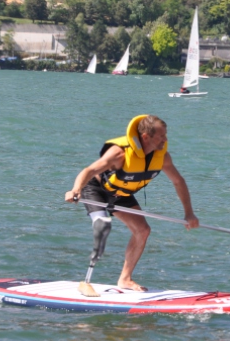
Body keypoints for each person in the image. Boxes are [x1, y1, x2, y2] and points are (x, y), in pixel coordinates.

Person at [65, 114, 199, 296]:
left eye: (165, 135)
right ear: (146, 137)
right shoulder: (119, 153)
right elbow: (89, 170)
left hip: (122, 194)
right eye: (161, 136)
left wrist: (189, 213)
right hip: (97, 190)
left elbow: (178, 182)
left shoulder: (163, 157)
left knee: (143, 230)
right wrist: (75, 189)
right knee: (102, 225)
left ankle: (125, 279)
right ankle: (86, 281)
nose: (165, 140)